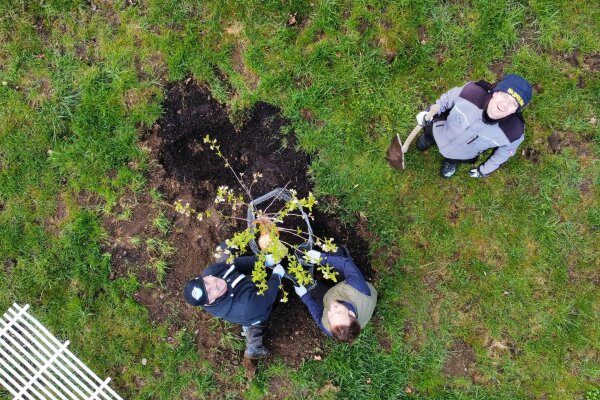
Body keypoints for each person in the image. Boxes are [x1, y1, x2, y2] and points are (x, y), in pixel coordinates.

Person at [415, 74, 533, 178]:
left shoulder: (514, 133)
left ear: (515, 110)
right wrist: (428, 112)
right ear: (495, 93)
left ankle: (451, 161)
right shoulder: (470, 92)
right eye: (504, 96)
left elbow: (502, 155)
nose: (505, 104)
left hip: (465, 154)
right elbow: (445, 101)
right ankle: (428, 139)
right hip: (439, 131)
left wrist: (483, 171)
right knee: (429, 134)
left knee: (456, 157)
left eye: (513, 103)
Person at [183, 254, 284, 359]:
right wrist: (277, 276)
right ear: (210, 301)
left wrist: (264, 260)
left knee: (225, 260)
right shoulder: (245, 307)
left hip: (247, 287)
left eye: (207, 282)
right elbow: (266, 298)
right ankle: (254, 347)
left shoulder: (210, 272)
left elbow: (236, 263)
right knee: (257, 316)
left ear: (206, 277)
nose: (214, 284)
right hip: (256, 308)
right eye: (209, 292)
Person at [293, 249, 377, 343]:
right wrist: (321, 258)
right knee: (337, 254)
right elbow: (346, 264)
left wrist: (305, 296)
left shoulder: (328, 327)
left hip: (339, 292)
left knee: (312, 290)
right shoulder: (358, 288)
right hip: (357, 290)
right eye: (338, 311)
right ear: (351, 313)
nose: (331, 308)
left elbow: (317, 314)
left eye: (331, 316)